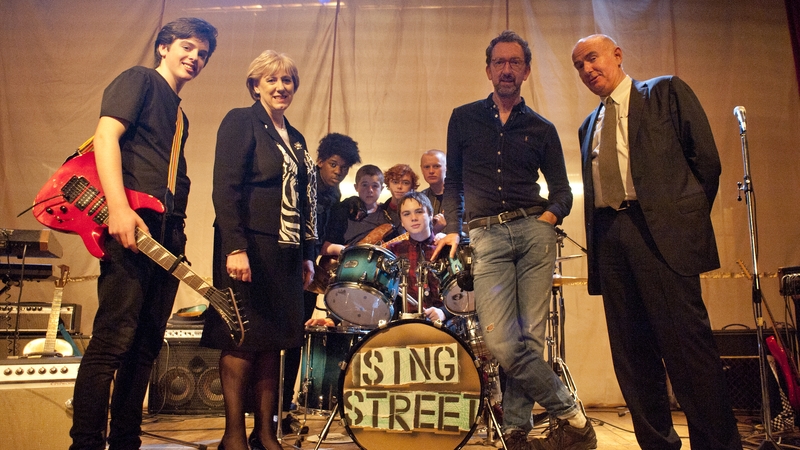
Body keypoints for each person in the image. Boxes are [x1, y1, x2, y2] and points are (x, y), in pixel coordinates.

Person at [571, 34, 742, 450]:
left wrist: (682, 221)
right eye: (579, 65)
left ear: (617, 55)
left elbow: (707, 162)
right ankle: (657, 444)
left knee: (688, 350)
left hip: (660, 235)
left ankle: (717, 445)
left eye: (592, 58)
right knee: (632, 356)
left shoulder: (665, 92)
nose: (587, 69)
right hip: (610, 239)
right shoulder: (588, 125)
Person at [434, 30, 594, 450]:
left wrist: (546, 220)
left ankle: (517, 431)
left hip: (533, 232)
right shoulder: (463, 118)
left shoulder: (542, 128)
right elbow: (454, 183)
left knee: (530, 338)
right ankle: (573, 415)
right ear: (488, 70)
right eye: (499, 62)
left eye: (515, 62)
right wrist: (453, 229)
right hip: (486, 235)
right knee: (502, 340)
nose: (507, 69)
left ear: (526, 70)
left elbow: (562, 191)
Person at [68, 18, 218, 450]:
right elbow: (105, 137)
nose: (195, 57)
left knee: (146, 345)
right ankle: (86, 443)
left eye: (203, 54)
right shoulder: (140, 79)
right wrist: (118, 207)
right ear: (164, 47)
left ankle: (126, 441)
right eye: (187, 47)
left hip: (166, 234)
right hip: (132, 224)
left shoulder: (180, 115)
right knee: (113, 340)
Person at [201, 50, 316, 450]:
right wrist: (235, 247)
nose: (281, 87)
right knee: (242, 338)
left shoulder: (296, 137)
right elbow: (225, 187)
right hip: (247, 247)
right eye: (272, 80)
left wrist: (307, 253)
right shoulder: (240, 121)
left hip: (285, 253)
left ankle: (265, 433)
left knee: (274, 343)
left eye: (287, 80)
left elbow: (306, 201)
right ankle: (233, 436)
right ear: (255, 86)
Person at [283, 133, 360, 425]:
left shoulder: (334, 194)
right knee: (284, 335)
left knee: (297, 334)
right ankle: (272, 405)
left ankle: (284, 404)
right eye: (333, 164)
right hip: (290, 266)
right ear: (320, 161)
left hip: (309, 270)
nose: (338, 171)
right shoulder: (304, 184)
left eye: (344, 167)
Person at [385, 191, 450, 322]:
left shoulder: (446, 247)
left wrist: (444, 312)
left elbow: (465, 293)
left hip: (446, 323)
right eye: (406, 214)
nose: (413, 218)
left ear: (431, 215)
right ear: (402, 222)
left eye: (419, 212)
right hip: (406, 324)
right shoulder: (392, 251)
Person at [320, 164, 392, 256]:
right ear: (356, 187)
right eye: (365, 185)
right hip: (339, 263)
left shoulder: (386, 220)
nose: (370, 190)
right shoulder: (342, 211)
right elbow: (322, 247)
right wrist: (343, 250)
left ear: (381, 189)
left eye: (375, 186)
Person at [381, 163, 419, 232]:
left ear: (412, 186)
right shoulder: (381, 211)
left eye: (405, 183)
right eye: (395, 182)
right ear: (388, 184)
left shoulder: (419, 212)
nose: (399, 186)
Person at [419, 149, 448, 233]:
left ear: (446, 167)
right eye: (427, 167)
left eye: (436, 166)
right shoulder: (419, 199)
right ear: (422, 169)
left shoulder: (463, 196)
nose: (431, 171)